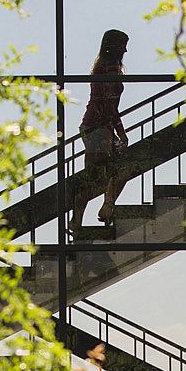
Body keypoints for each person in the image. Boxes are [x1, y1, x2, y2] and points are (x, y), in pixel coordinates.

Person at [71, 29, 131, 230]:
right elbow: (110, 107)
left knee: (98, 176)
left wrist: (116, 133)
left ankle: (82, 216)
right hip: (98, 129)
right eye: (123, 46)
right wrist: (120, 134)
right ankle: (104, 208)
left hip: (95, 127)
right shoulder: (110, 70)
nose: (125, 50)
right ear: (114, 47)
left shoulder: (102, 67)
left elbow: (109, 107)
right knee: (115, 171)